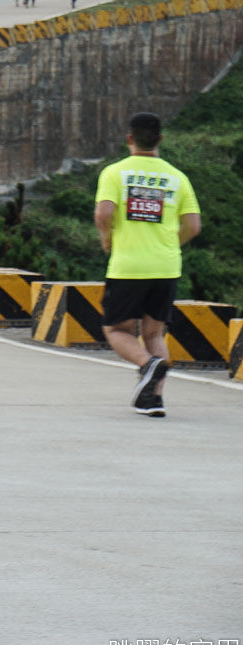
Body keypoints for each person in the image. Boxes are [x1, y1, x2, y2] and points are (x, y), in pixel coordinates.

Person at [94, 112, 201, 418]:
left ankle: (147, 365)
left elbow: (103, 215)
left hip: (128, 266)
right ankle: (152, 400)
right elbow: (193, 226)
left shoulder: (115, 173)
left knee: (116, 329)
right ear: (160, 140)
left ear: (130, 139)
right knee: (154, 334)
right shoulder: (178, 177)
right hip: (166, 266)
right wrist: (169, 244)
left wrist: (107, 240)